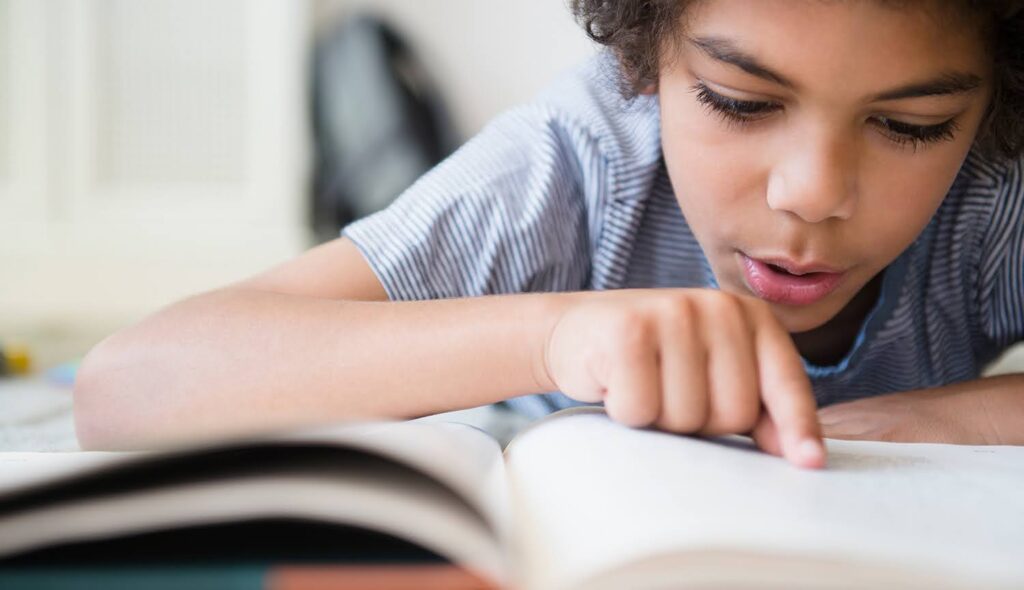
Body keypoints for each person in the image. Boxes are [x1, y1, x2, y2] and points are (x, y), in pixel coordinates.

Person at [73, 0, 1024, 469]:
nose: (812, 195)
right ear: (644, 58)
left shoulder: (994, 184)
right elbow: (126, 388)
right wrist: (555, 334)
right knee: (418, 213)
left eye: (910, 127)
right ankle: (385, 159)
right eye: (740, 102)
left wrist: (938, 423)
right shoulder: (585, 160)